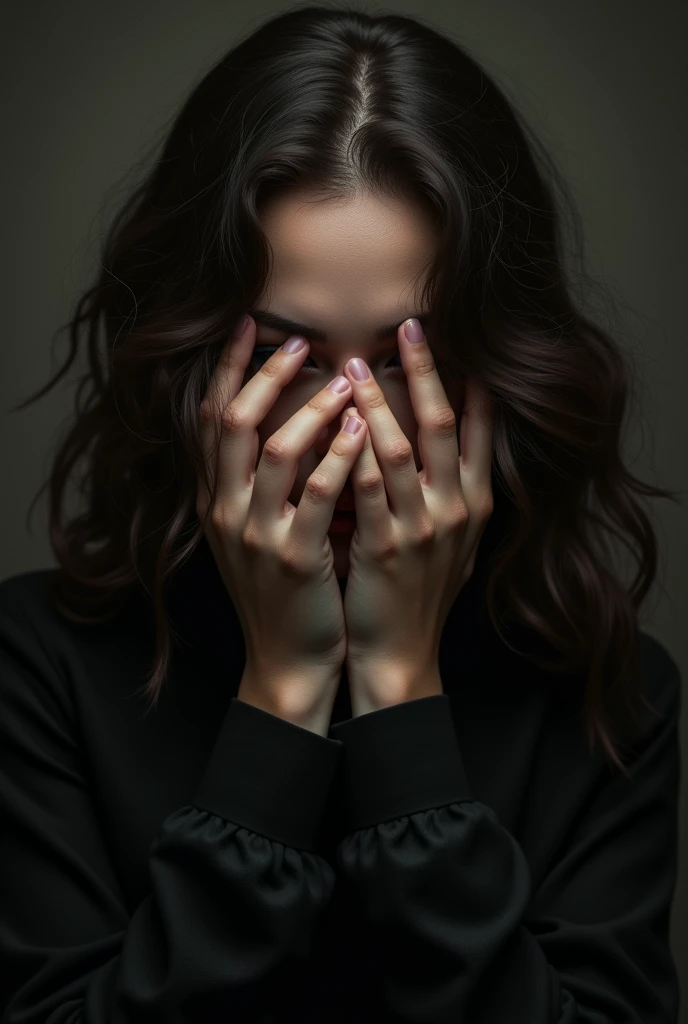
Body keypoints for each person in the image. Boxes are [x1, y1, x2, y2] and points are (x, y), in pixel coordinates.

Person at [0, 5, 682, 1022]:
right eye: (290, 360)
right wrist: (279, 693)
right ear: (198, 362)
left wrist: (403, 695)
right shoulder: (37, 666)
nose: (354, 429)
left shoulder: (607, 697)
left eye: (417, 363)